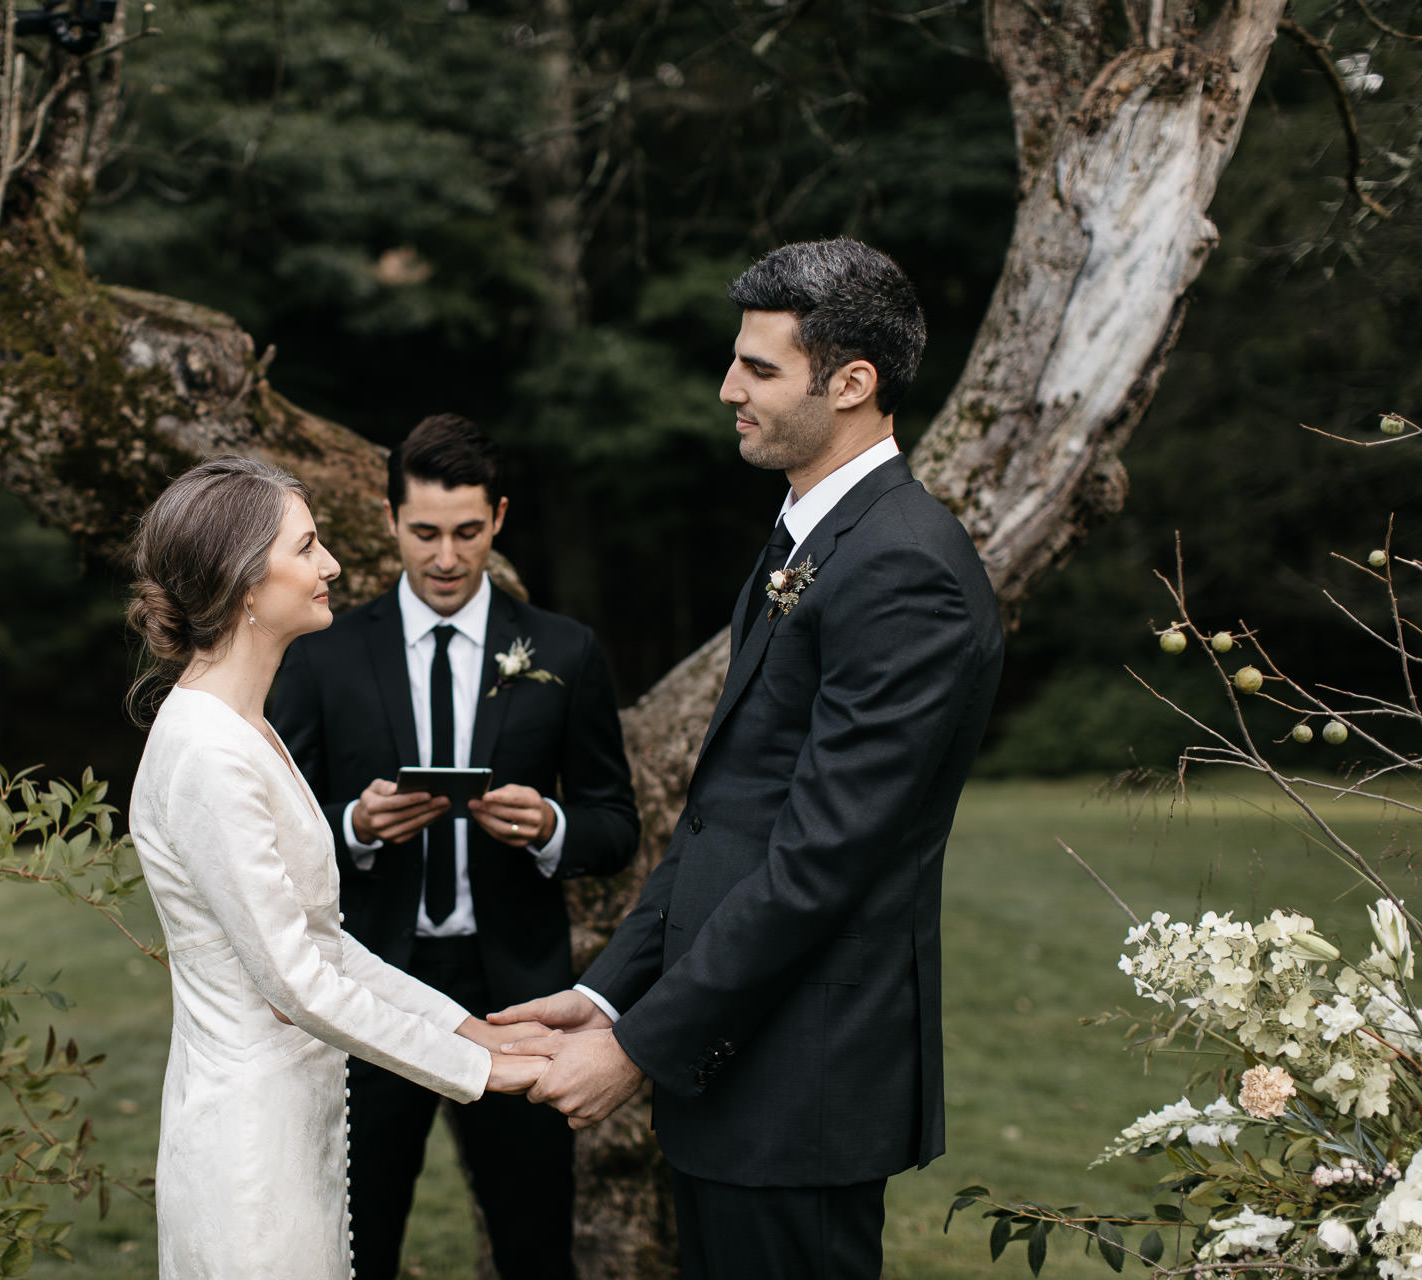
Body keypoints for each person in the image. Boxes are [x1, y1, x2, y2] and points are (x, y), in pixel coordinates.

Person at [494, 239, 1006, 1279]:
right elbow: (727, 814)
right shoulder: (806, 538)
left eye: (760, 369)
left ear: (853, 383)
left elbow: (821, 861)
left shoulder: (903, 567)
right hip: (741, 1070)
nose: (728, 389)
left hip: (802, 1080)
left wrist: (635, 1049)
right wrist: (607, 993)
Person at [124, 456, 551, 1280]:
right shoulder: (209, 752)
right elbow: (295, 982)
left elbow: (323, 942)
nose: (333, 566)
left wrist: (471, 1026)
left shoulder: (244, 728)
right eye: (308, 546)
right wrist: (480, 1071)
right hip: (248, 1153)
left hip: (294, 1122)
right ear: (246, 586)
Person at [270, 415, 639, 1280]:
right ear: (392, 518)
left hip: (514, 993)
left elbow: (614, 824)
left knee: (534, 1242)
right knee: (357, 1239)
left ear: (499, 519)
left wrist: (551, 826)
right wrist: (353, 825)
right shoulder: (326, 654)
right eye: (426, 533)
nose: (445, 557)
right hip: (368, 989)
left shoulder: (562, 650)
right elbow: (275, 821)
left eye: (467, 533)